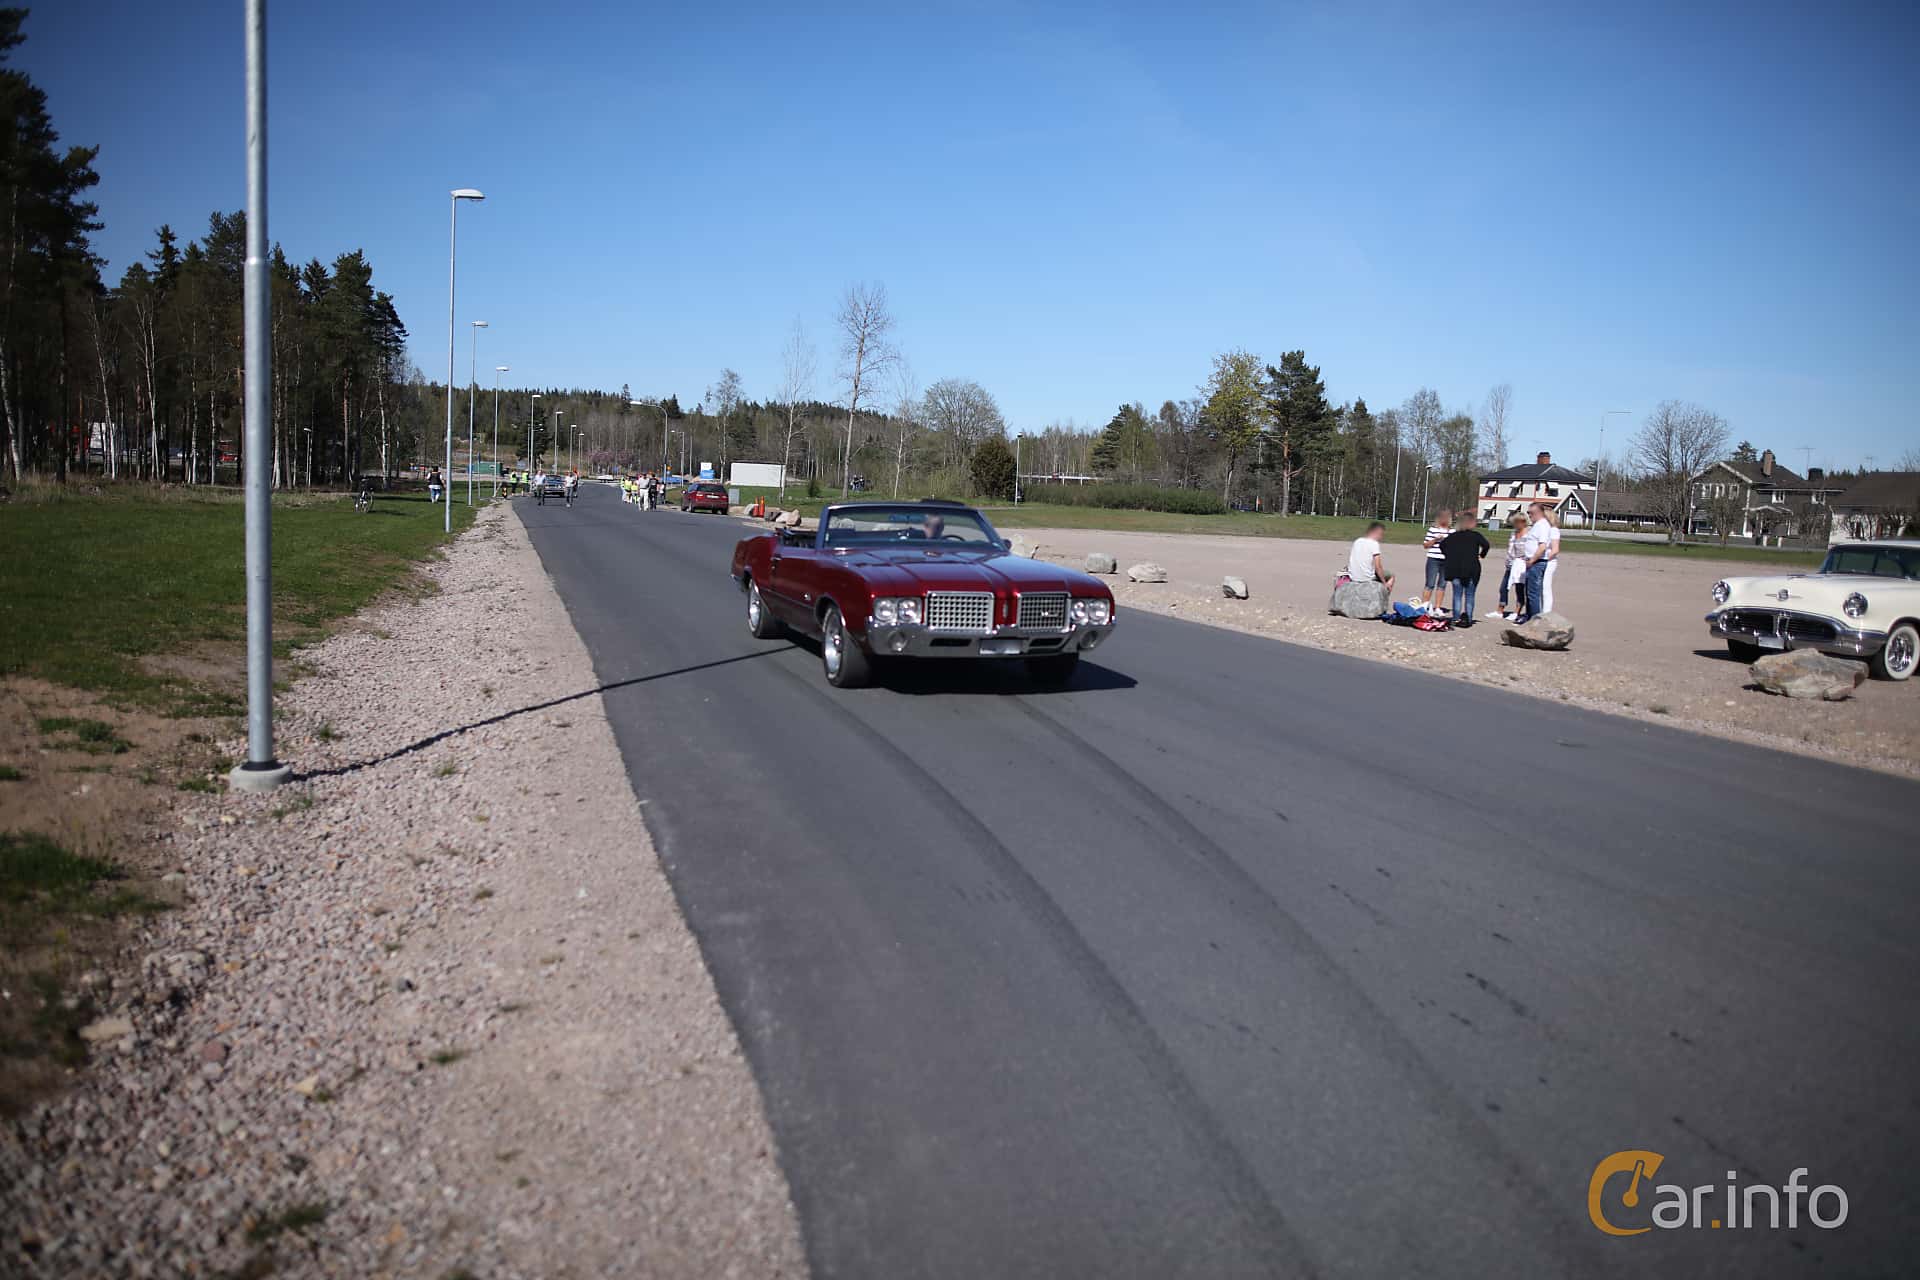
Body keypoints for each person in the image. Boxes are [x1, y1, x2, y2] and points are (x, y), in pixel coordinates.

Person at [1439, 512, 1490, 628]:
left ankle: (1456, 618)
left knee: (1457, 594)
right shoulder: (1475, 535)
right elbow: (1486, 545)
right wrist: (1482, 555)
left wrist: (1449, 555)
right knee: (1470, 595)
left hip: (1455, 569)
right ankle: (1469, 618)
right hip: (1471, 569)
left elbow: (1442, 546)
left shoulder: (1452, 536)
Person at [1514, 502, 1555, 625]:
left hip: (1537, 563)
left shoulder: (1543, 525)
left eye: (1530, 513)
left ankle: (1535, 620)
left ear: (1538, 512)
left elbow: (1542, 546)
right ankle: (1529, 616)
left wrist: (1532, 560)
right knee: (1529, 592)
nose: (1529, 515)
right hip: (1531, 562)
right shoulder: (1536, 525)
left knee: (1533, 593)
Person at [1488, 511, 1529, 621]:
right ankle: (1500, 610)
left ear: (1523, 522)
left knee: (1519, 589)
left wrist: (1524, 560)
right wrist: (1509, 561)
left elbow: (1530, 549)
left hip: (1523, 565)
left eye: (1516, 522)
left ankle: (1517, 611)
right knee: (1503, 587)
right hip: (1512, 564)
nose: (1515, 525)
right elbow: (1511, 548)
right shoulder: (1514, 533)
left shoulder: (1529, 534)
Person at [1346, 521, 1396, 595]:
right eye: (1381, 534)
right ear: (1377, 532)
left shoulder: (1357, 541)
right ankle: (1385, 596)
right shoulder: (1374, 544)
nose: (1381, 537)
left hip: (1353, 577)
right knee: (1391, 576)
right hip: (1367, 579)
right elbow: (1378, 566)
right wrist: (1384, 582)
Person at [1421, 509, 1453, 612]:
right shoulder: (1433, 530)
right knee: (1430, 584)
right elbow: (1425, 545)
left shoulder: (1452, 531)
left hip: (1447, 560)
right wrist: (1435, 540)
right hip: (1433, 559)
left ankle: (1438, 607)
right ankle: (1424, 606)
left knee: (1442, 585)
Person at [1540, 508, 1563, 613]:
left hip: (1549, 562)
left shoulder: (1554, 530)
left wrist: (1545, 559)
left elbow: (1555, 549)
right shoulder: (1544, 530)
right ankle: (1540, 609)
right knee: (1539, 587)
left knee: (1546, 586)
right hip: (1541, 561)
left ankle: (1547, 611)